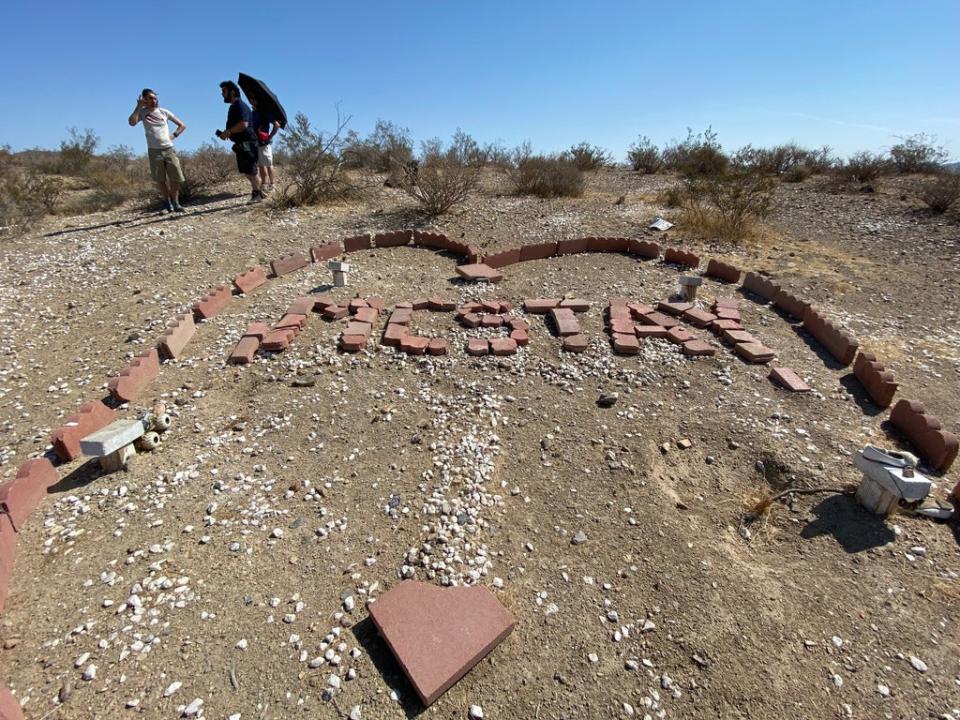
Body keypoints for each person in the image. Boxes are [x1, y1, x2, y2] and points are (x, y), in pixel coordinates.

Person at [128, 88, 187, 213]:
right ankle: (168, 204)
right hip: (154, 150)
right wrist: (138, 107)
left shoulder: (164, 112)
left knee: (175, 177)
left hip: (169, 148)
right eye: (150, 98)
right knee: (161, 179)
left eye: (154, 98)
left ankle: (176, 202)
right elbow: (132, 123)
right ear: (144, 99)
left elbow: (182, 125)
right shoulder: (142, 113)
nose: (153, 100)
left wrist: (174, 135)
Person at [216, 81, 263, 204]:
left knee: (250, 170)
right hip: (242, 142)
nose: (222, 94)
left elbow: (244, 124)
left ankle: (257, 194)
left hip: (247, 142)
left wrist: (228, 131)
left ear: (232, 92)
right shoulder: (235, 106)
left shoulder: (239, 106)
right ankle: (259, 192)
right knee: (247, 170)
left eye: (224, 91)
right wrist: (228, 133)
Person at [250, 96, 280, 193]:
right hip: (256, 142)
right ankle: (265, 184)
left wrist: (269, 137)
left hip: (264, 142)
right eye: (251, 99)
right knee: (261, 164)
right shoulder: (252, 113)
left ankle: (272, 184)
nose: (251, 101)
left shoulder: (264, 112)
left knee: (268, 164)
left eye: (253, 99)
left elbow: (277, 124)